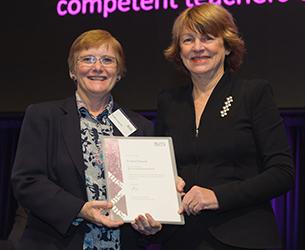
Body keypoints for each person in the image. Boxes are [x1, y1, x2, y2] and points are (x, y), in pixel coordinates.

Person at [155, 3, 295, 250]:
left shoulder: (253, 93)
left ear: (227, 45)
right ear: (179, 51)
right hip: (181, 240)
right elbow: (161, 169)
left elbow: (282, 173)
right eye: (188, 40)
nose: (198, 47)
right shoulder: (169, 101)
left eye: (208, 38)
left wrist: (217, 196)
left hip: (242, 237)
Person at [11, 29, 162, 250]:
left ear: (119, 72)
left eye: (108, 60)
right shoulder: (44, 116)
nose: (98, 67)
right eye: (87, 59)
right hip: (57, 243)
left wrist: (150, 222)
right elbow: (27, 181)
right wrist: (80, 209)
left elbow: (147, 194)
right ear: (73, 70)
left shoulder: (142, 128)